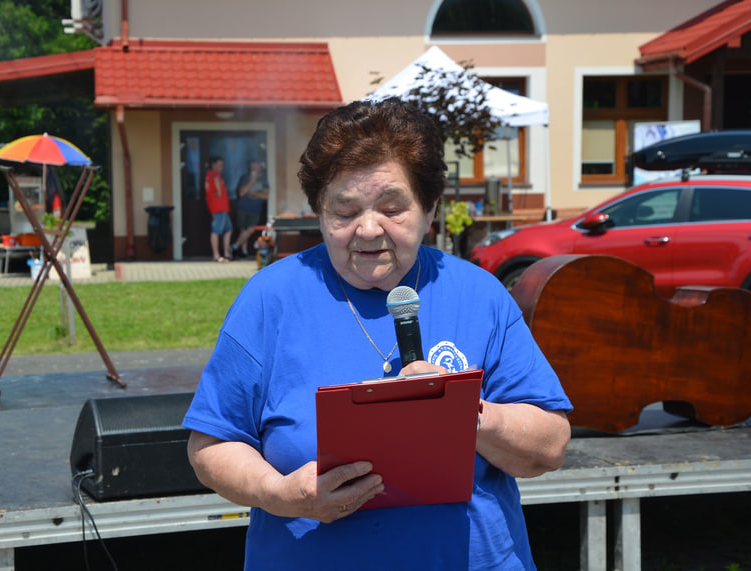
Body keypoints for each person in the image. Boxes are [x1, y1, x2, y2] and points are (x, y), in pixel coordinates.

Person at [184, 98, 572, 570]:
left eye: (392, 207)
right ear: (318, 212)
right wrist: (284, 494)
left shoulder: (480, 295)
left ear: (430, 209)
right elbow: (211, 448)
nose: (368, 230)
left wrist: (468, 414)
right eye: (344, 211)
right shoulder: (271, 299)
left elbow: (549, 447)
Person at [231, 160, 269, 258]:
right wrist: (251, 181)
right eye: (252, 167)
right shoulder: (245, 178)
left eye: (255, 167)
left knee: (251, 229)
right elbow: (241, 193)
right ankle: (244, 251)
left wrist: (252, 193)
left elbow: (265, 196)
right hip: (243, 207)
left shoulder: (263, 180)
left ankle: (234, 246)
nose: (254, 169)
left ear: (260, 167)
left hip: (255, 209)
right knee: (243, 230)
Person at [205, 156, 233, 262]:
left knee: (228, 229)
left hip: (221, 208)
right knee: (216, 230)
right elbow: (218, 189)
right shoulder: (215, 175)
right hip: (218, 208)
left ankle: (226, 254)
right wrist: (220, 192)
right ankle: (216, 255)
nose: (222, 167)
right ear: (214, 165)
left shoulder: (209, 175)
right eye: (219, 165)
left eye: (222, 165)